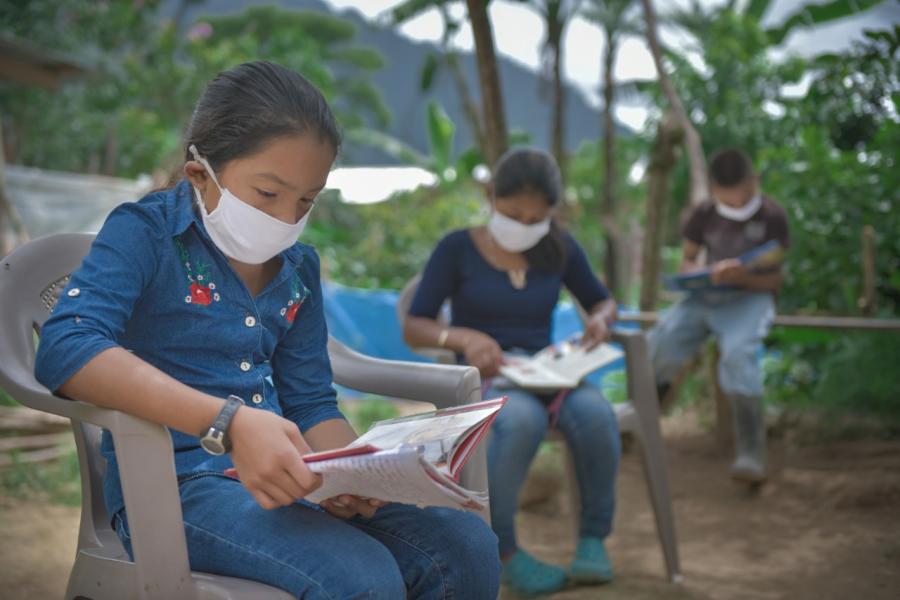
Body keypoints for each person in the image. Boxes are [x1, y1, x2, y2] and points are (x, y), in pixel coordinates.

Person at [34, 61, 500, 599]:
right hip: (171, 490)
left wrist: (353, 478)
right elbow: (66, 346)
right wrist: (228, 423)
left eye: (306, 200)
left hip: (288, 479)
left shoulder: (297, 268)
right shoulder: (145, 234)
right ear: (200, 173)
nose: (285, 218)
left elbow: (310, 403)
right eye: (267, 194)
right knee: (360, 577)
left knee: (465, 547)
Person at [403, 147, 621, 597]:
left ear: (551, 214)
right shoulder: (457, 249)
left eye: (534, 218)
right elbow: (415, 324)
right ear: (490, 195)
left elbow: (601, 300)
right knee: (520, 420)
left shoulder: (558, 247)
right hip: (485, 378)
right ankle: (502, 551)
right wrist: (462, 338)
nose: (523, 226)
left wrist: (601, 319)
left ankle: (593, 542)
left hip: (547, 372)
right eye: (512, 213)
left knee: (598, 414)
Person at [649, 148, 790, 484]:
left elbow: (776, 279)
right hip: (705, 297)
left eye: (742, 200)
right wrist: (705, 272)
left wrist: (745, 278)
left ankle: (752, 452)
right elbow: (687, 261)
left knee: (739, 355)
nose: (737, 207)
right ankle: (639, 423)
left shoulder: (773, 216)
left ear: (754, 182)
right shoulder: (704, 213)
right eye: (729, 201)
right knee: (658, 344)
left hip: (751, 299)